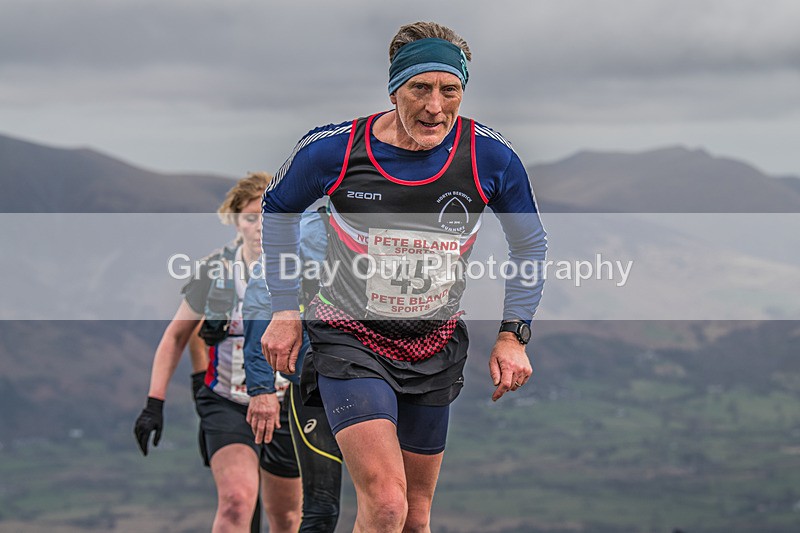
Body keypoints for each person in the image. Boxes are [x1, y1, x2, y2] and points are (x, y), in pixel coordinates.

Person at [260, 21, 547, 532]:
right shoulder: (336, 149)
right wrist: (285, 308)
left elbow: (529, 242)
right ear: (394, 89)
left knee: (414, 519)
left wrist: (513, 334)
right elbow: (278, 208)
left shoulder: (490, 156)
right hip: (350, 339)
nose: (435, 106)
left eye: (449, 90)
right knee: (388, 504)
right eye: (420, 88)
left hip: (433, 346)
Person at [134, 173, 301, 533]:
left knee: (287, 518)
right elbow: (176, 337)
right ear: (236, 220)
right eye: (251, 217)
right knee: (237, 503)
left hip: (288, 403)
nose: (259, 226)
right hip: (225, 400)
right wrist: (154, 403)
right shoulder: (214, 271)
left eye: (269, 216)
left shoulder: (300, 269)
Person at [243, 209, 343, 533]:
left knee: (394, 505)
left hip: (387, 380)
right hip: (316, 383)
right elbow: (260, 304)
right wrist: (262, 390)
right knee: (321, 511)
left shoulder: (397, 227)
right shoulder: (305, 233)